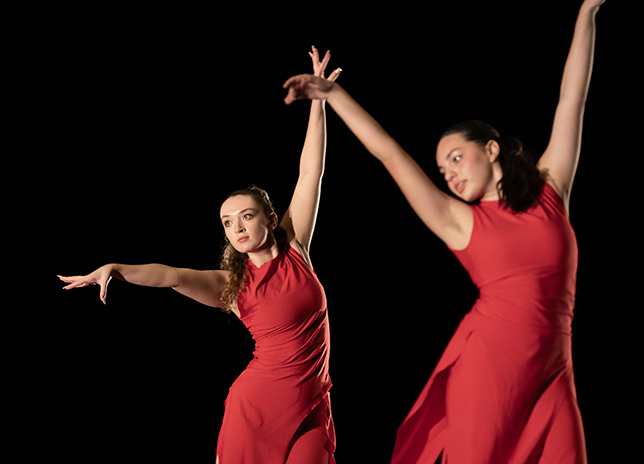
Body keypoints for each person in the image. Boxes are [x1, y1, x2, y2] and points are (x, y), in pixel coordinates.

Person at [282, 1, 605, 462]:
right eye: (442, 169)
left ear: (491, 149)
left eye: (456, 158)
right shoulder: (462, 221)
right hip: (491, 369)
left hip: (554, 370)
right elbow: (391, 155)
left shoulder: (551, 189)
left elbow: (572, 98)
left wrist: (587, 12)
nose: (449, 175)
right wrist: (333, 95)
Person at [59, 47, 341, 464]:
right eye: (228, 223)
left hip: (313, 405)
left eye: (246, 216)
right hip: (256, 407)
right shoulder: (233, 284)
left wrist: (319, 101)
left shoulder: (296, 246)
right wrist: (115, 269)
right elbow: (170, 275)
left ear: (271, 218)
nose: (238, 228)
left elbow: (310, 170)